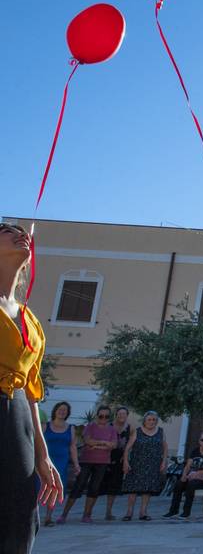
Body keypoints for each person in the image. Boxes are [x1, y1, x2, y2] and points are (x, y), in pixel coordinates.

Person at [0, 221, 61, 552]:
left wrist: (42, 452)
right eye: (6, 230)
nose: (20, 232)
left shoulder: (30, 320)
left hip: (17, 415)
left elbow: (31, 390)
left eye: (22, 230)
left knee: (21, 517)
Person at [59, 405, 117, 524]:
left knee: (94, 488)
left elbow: (114, 445)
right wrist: (104, 443)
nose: (104, 418)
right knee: (78, 487)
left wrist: (96, 445)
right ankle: (64, 514)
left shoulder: (112, 429)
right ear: (97, 415)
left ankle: (87, 515)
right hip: (87, 461)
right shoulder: (90, 427)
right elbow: (88, 441)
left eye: (106, 416)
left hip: (102, 462)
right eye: (101, 416)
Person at [121, 411, 167, 521]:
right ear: (145, 421)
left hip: (153, 464)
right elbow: (127, 448)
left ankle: (143, 512)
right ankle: (129, 512)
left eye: (154, 420)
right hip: (137, 464)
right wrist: (126, 462)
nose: (152, 422)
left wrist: (164, 462)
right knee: (133, 489)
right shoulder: (137, 432)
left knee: (148, 489)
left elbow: (165, 448)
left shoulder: (161, 432)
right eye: (149, 419)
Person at [164, 431, 203, 519]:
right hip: (193, 476)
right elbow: (188, 465)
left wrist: (196, 474)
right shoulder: (195, 451)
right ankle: (173, 511)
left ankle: (186, 512)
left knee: (191, 484)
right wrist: (184, 475)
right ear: (199, 441)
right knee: (179, 484)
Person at [41, 402, 79, 527]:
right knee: (39, 487)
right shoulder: (45, 425)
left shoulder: (71, 428)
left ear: (68, 413)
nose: (62, 411)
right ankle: (32, 515)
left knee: (55, 489)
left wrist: (76, 464)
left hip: (62, 463)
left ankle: (48, 517)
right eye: (60, 409)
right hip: (45, 461)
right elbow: (37, 442)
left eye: (65, 410)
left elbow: (73, 447)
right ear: (55, 410)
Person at [101, 406, 130, 520]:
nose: (121, 416)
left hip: (119, 460)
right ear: (116, 415)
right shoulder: (109, 426)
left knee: (113, 487)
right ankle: (87, 512)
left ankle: (108, 512)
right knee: (98, 485)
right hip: (105, 458)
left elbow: (130, 446)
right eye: (119, 413)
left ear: (127, 416)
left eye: (124, 414)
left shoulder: (130, 428)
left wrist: (126, 458)